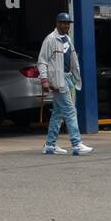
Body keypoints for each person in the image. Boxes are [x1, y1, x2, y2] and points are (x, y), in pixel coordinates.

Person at [38, 12, 93, 155]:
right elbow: (42, 61)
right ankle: (77, 144)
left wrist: (75, 77)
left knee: (58, 113)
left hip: (68, 79)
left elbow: (72, 59)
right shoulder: (50, 40)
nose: (67, 25)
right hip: (58, 80)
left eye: (68, 23)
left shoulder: (67, 39)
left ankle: (49, 145)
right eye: (64, 23)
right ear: (57, 23)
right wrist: (44, 80)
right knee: (70, 110)